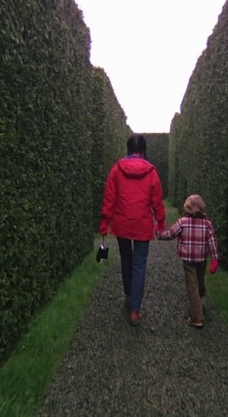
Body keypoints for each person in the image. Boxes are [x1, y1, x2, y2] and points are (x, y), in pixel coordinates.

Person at [100, 134, 166, 326]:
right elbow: (157, 200)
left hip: (122, 223)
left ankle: (128, 294)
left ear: (128, 149)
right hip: (142, 224)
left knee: (126, 260)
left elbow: (109, 197)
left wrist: (105, 221)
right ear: (143, 150)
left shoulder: (116, 170)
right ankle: (135, 311)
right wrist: (160, 221)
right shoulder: (151, 171)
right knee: (139, 265)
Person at [157, 194, 220, 328]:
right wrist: (215, 259)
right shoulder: (207, 224)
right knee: (199, 280)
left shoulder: (183, 222)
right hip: (202, 258)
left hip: (188, 259)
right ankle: (200, 294)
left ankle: (197, 318)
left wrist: (159, 234)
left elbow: (170, 234)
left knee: (192, 286)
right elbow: (212, 241)